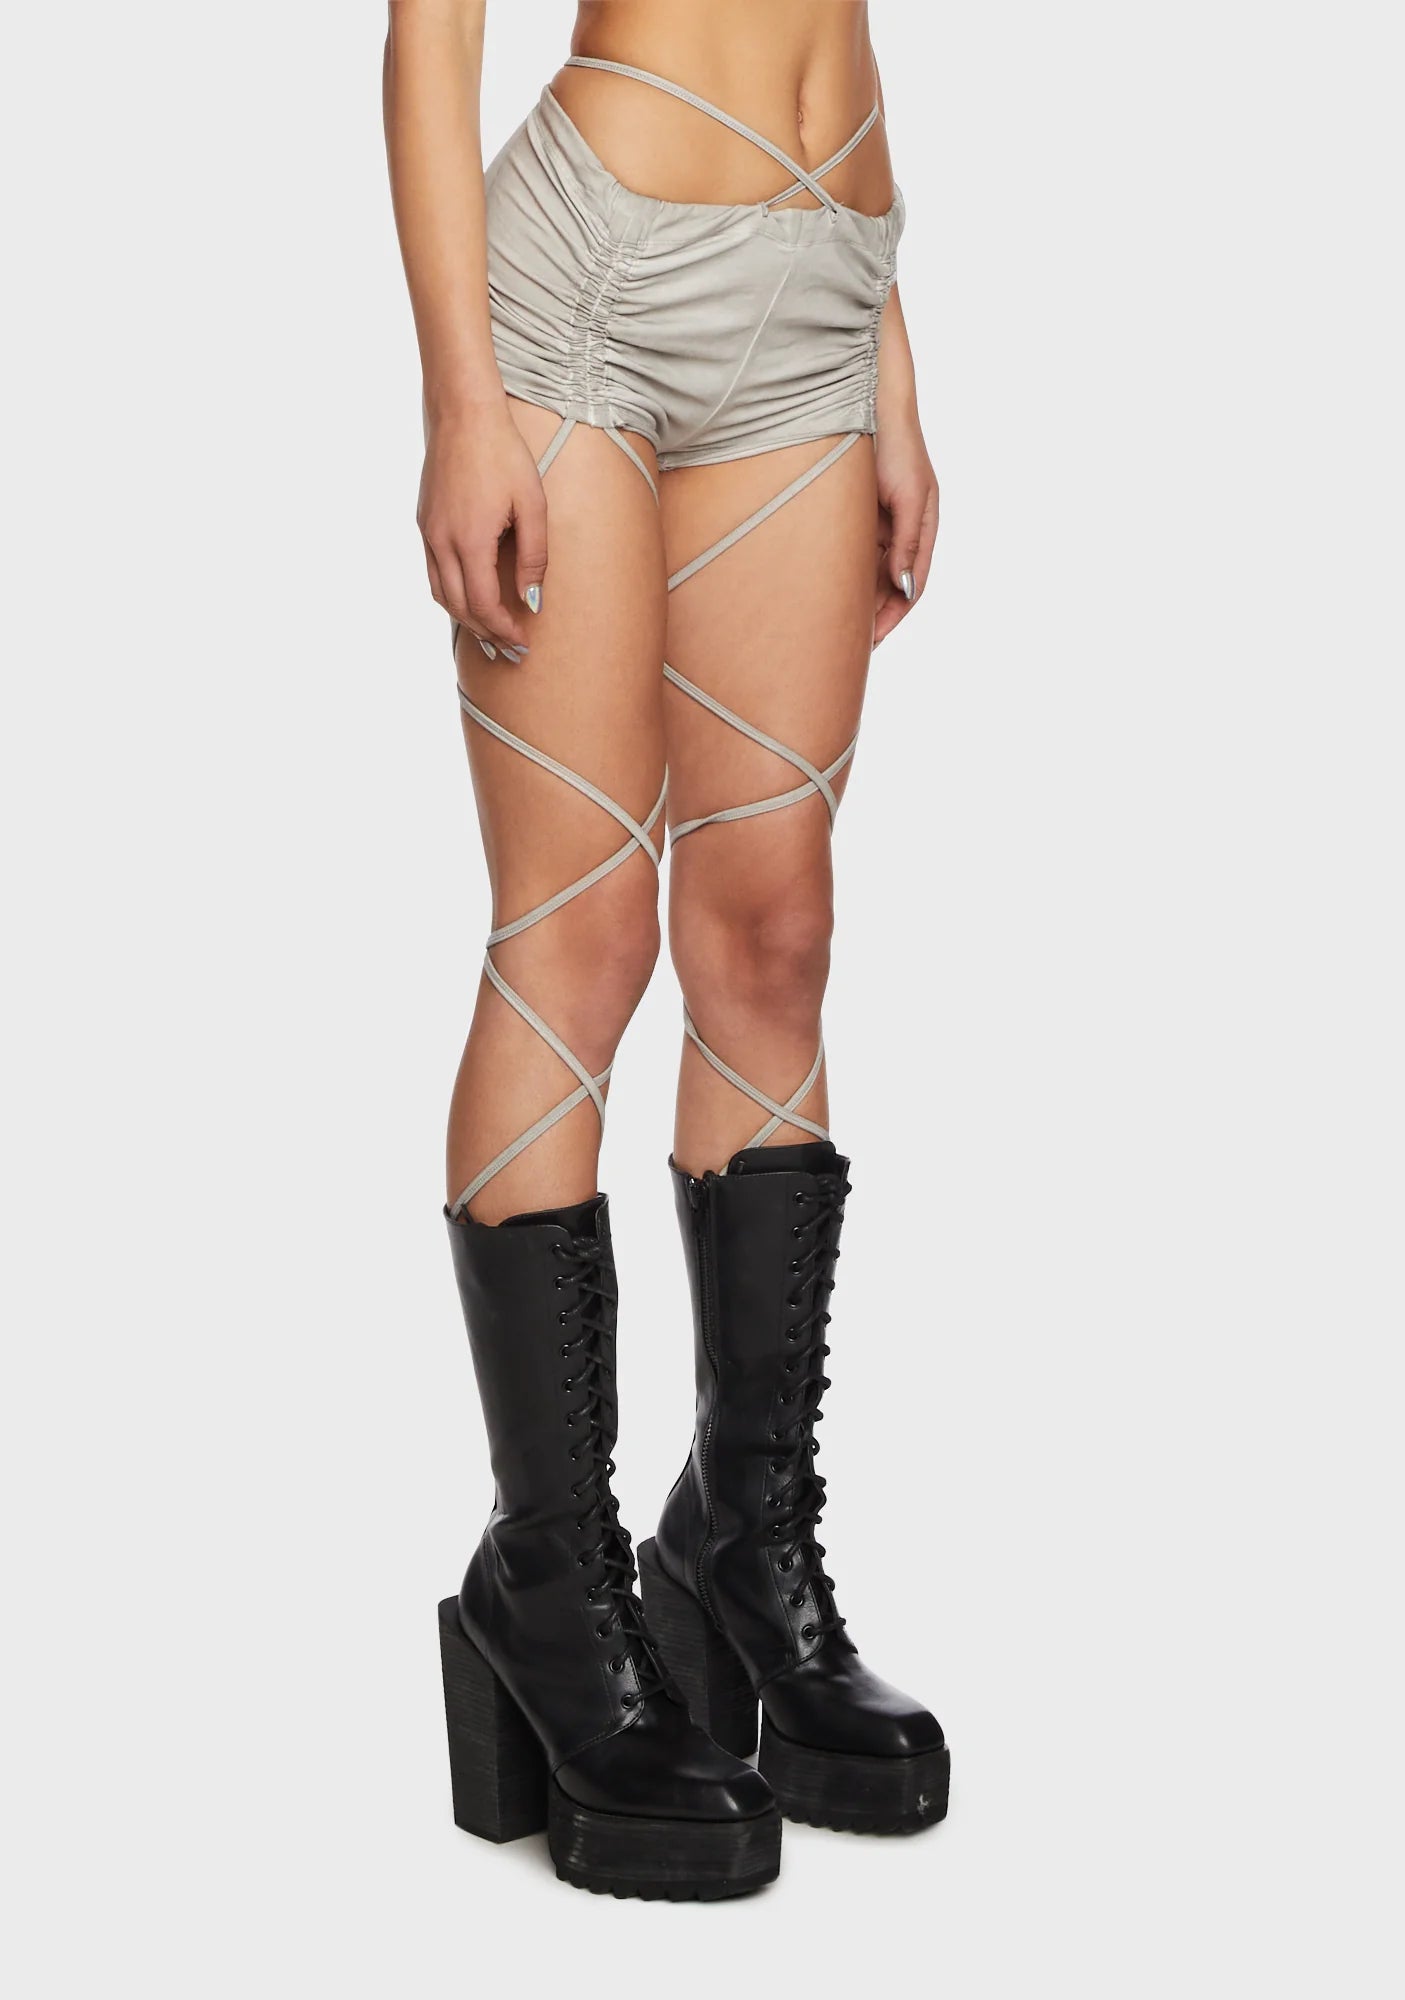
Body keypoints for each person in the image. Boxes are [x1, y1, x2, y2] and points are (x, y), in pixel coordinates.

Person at [385, 0, 948, 1900]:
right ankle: (549, 1587)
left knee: (773, 930)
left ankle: (742, 1551)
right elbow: (428, 33)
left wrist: (887, 365)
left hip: (825, 279)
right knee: (581, 929)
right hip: (589, 292)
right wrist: (460, 402)